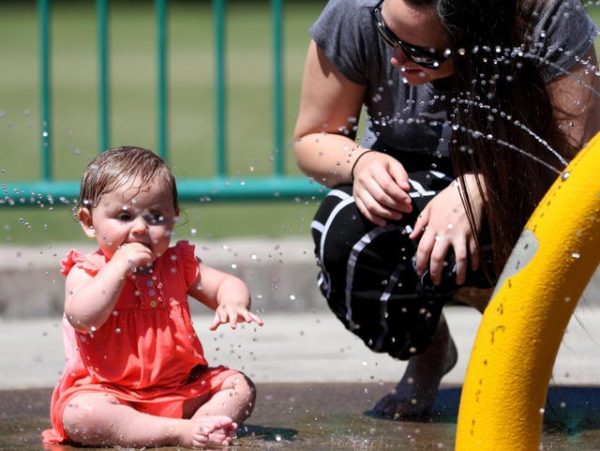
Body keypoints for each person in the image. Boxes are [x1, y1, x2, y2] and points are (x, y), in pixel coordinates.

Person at [294, 0, 599, 419]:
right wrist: (359, 162)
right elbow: (312, 138)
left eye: (422, 53)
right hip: (413, 180)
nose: (397, 57)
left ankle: (509, 345)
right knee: (342, 231)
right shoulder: (356, 11)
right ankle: (428, 346)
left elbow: (575, 161)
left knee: (513, 238)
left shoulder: (546, 16)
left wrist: (485, 186)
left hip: (526, 182)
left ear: (479, 40)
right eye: (388, 37)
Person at [42, 146, 264, 448]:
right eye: (123, 216)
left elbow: (226, 283)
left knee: (240, 387)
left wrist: (232, 301)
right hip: (110, 394)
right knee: (81, 414)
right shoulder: (88, 271)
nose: (140, 229)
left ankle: (202, 423)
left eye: (156, 216)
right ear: (88, 222)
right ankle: (180, 432)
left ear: (174, 218)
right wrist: (118, 267)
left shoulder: (178, 264)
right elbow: (82, 318)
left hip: (179, 389)